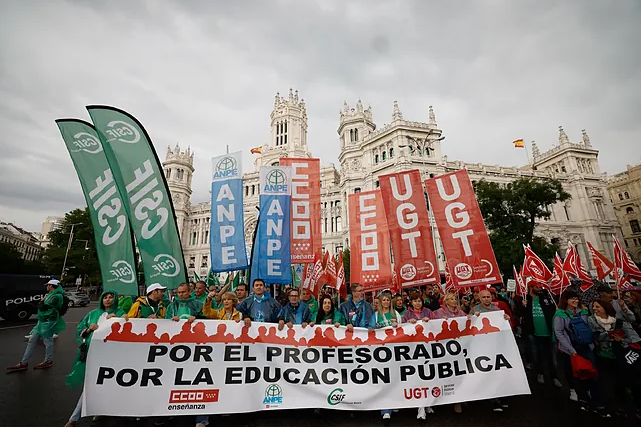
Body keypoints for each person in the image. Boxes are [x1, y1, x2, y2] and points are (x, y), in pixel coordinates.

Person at [64, 290, 127, 427]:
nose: (108, 300)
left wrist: (120, 320)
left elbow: (128, 329)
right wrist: (88, 330)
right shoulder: (92, 314)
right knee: (91, 385)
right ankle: (75, 418)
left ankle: (75, 418)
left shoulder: (121, 313)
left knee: (104, 384)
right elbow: (81, 328)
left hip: (111, 356)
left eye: (111, 297)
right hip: (92, 353)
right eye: (105, 297)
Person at [588, 299, 641, 418]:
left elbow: (634, 338)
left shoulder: (619, 321)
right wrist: (608, 334)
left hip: (620, 356)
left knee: (625, 382)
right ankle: (615, 407)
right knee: (609, 383)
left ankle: (632, 407)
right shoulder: (592, 320)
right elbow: (594, 336)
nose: (595, 309)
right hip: (603, 355)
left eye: (598, 307)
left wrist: (622, 340)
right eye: (594, 307)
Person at [553, 290, 603, 413]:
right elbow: (558, 332)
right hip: (572, 349)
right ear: (566, 300)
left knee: (591, 371)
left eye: (576, 298)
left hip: (586, 346)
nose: (575, 301)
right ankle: (580, 395)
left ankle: (593, 395)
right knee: (576, 372)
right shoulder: (560, 314)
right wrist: (570, 349)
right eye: (572, 299)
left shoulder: (584, 312)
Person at [7, 279, 66, 372]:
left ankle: (48, 360)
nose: (46, 287)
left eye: (48, 285)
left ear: (51, 286)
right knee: (32, 340)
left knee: (47, 340)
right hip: (42, 321)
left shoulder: (56, 296)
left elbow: (42, 307)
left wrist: (42, 301)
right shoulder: (50, 295)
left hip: (48, 322)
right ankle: (24, 362)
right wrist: (42, 302)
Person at [519, 282, 562, 387]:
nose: (539, 288)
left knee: (552, 357)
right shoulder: (525, 300)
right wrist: (523, 306)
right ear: (531, 288)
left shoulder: (546, 299)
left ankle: (554, 377)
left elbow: (553, 312)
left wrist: (556, 310)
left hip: (548, 332)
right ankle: (540, 373)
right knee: (536, 355)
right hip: (533, 333)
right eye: (537, 287)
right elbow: (519, 315)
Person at [431, 292, 467, 414]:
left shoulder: (461, 313)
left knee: (458, 373)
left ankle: (458, 401)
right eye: (451, 299)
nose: (454, 301)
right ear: (446, 301)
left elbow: (470, 322)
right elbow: (430, 326)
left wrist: (474, 317)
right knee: (444, 374)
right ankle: (442, 399)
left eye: (454, 298)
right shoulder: (438, 313)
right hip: (443, 349)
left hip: (459, 348)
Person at [401, 291, 433, 419]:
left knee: (429, 375)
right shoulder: (407, 314)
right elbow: (402, 329)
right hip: (413, 350)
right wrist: (409, 323)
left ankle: (429, 403)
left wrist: (429, 321)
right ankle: (421, 407)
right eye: (415, 301)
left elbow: (438, 325)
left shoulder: (429, 312)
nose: (417, 303)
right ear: (411, 302)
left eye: (419, 300)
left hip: (428, 348)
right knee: (418, 377)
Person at [371, 291, 401, 420]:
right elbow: (370, 331)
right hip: (381, 352)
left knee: (395, 378)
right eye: (383, 300)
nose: (386, 302)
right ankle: (385, 409)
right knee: (384, 379)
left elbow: (403, 329)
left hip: (394, 350)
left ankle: (394, 402)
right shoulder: (376, 315)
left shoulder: (396, 314)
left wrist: (398, 326)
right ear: (380, 302)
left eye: (388, 300)